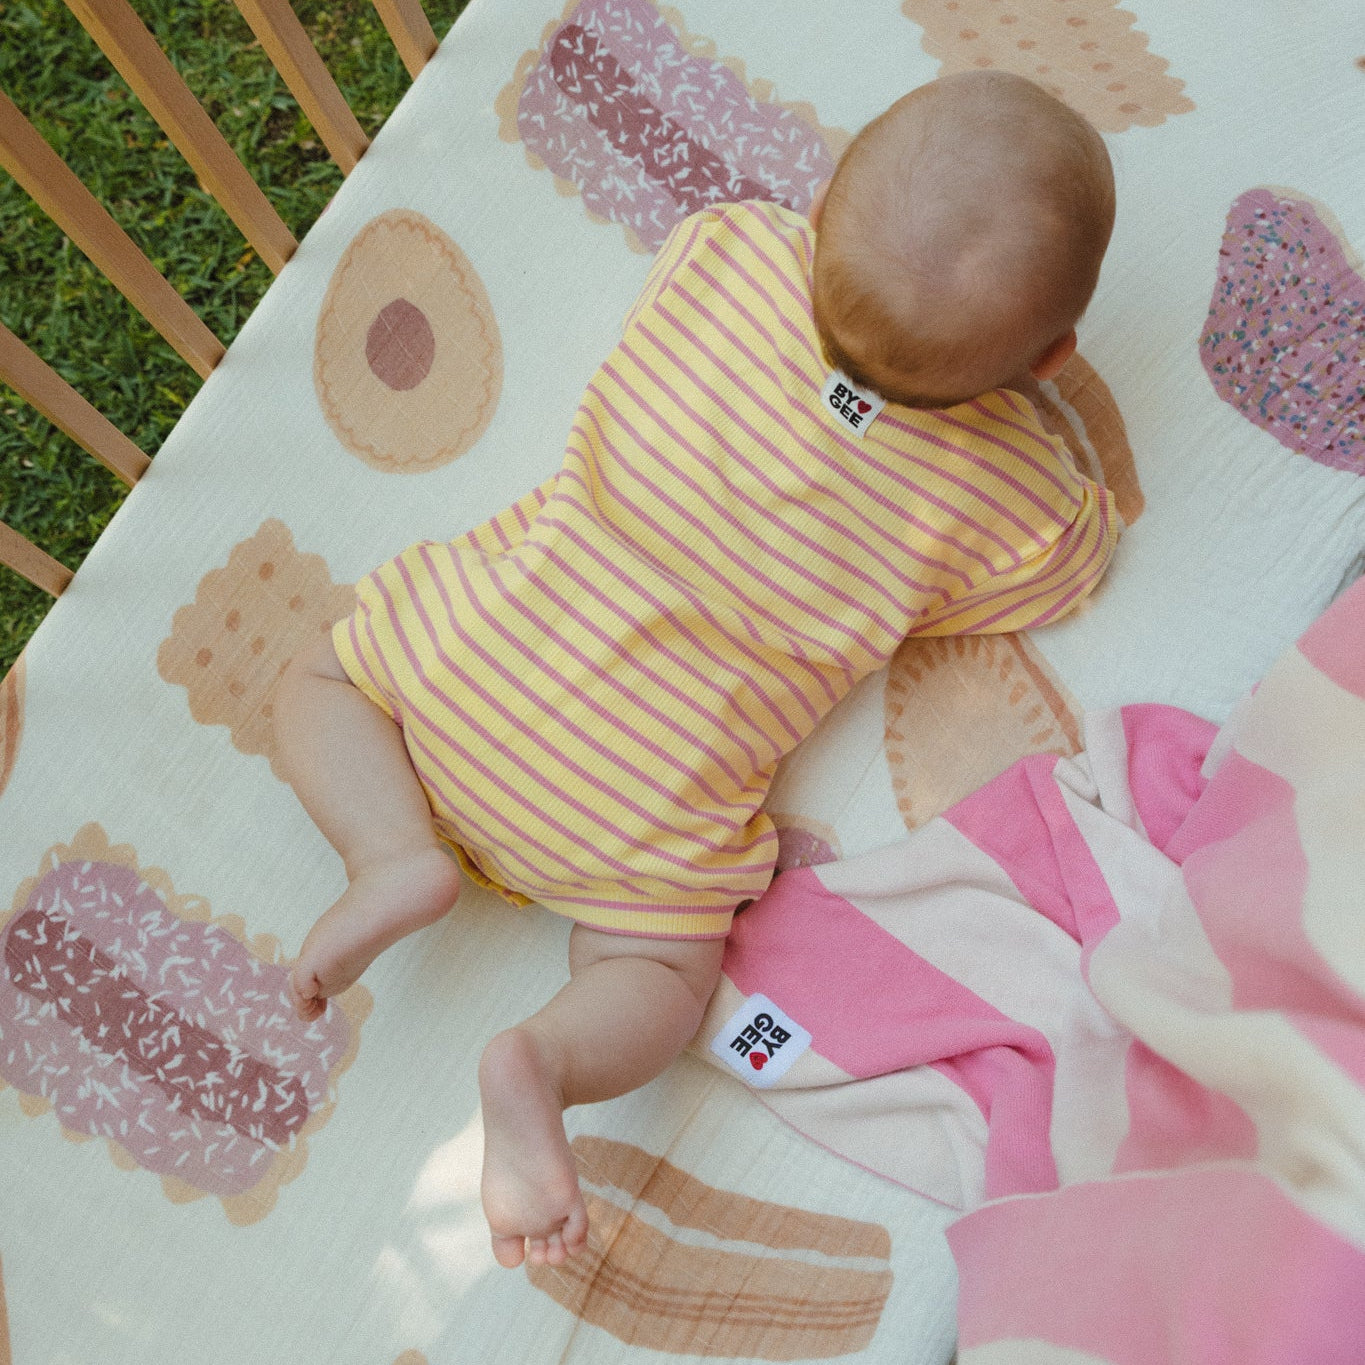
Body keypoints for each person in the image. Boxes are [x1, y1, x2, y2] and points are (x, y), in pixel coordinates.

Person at [274, 69, 1119, 1272]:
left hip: (471, 658)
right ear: (1055, 353)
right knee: (662, 974)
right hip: (640, 806)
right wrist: (1019, 411)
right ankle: (543, 1060)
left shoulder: (732, 258)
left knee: (320, 683)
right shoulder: (1003, 486)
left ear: (821, 210)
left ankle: (390, 855)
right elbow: (1075, 558)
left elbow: (724, 266)